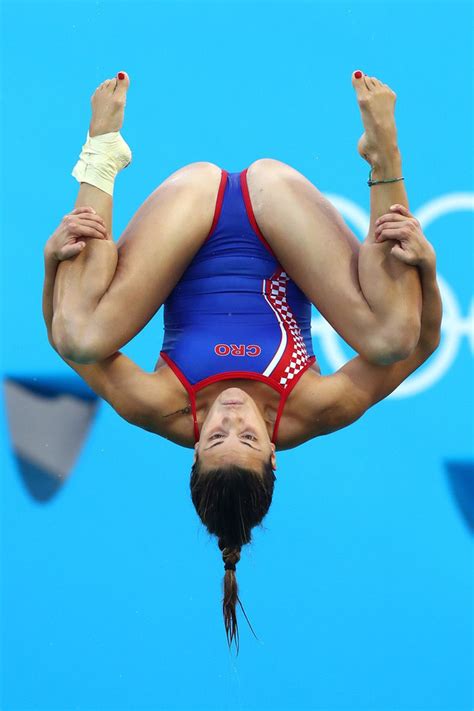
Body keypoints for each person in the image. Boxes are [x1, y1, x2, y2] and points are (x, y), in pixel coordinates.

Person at [42, 70, 442, 652]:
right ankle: (384, 153)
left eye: (215, 438)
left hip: (192, 204)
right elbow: (423, 342)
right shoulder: (314, 409)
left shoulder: (154, 405)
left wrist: (51, 262)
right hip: (278, 206)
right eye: (248, 439)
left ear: (194, 446)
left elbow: (61, 336)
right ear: (274, 452)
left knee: (82, 333)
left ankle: (102, 152)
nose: (232, 418)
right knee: (391, 335)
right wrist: (425, 268)